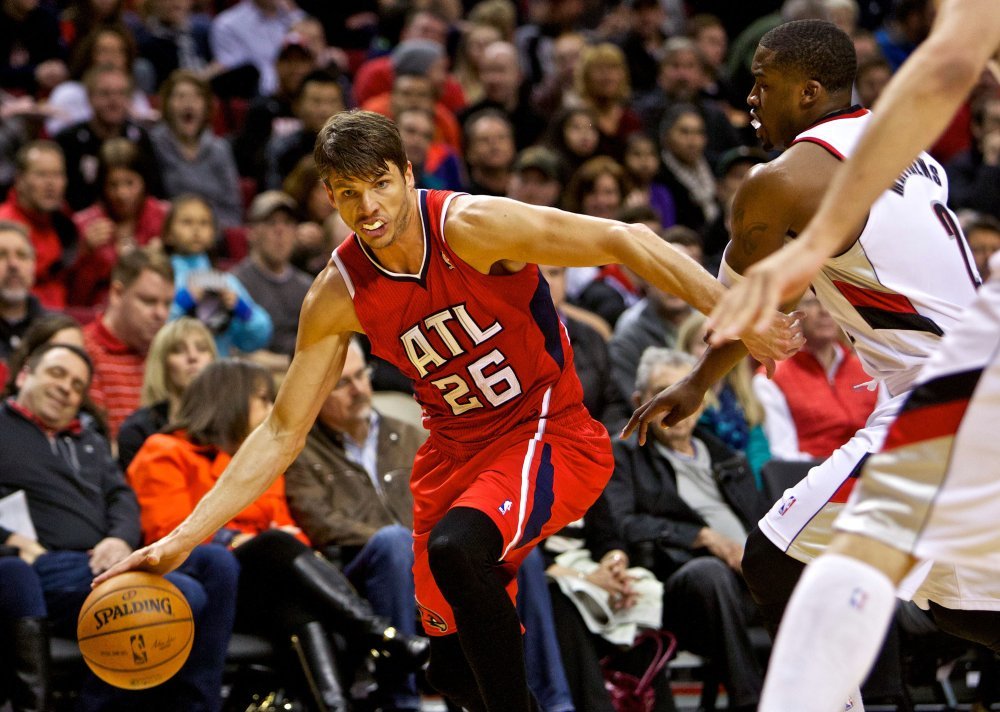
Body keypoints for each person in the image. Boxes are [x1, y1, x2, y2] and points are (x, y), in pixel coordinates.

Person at [96, 109, 800, 712]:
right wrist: (182, 539)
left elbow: (626, 239)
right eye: (348, 194)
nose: (369, 207)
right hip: (451, 458)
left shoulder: (472, 226)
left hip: (546, 431)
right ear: (330, 199)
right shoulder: (336, 294)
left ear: (408, 173)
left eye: (380, 184)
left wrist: (737, 312)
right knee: (453, 671)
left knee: (458, 550)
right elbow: (282, 430)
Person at [694, 2, 1000, 709]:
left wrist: (697, 378)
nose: (750, 96)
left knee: (773, 557)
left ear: (808, 92)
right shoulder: (908, 149)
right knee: (958, 608)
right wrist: (697, 383)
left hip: (941, 397)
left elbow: (736, 306)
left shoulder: (782, 181)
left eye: (764, 82)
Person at [126, 359, 429, 712]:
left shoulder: (260, 460)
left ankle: (340, 701)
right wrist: (234, 539)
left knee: (296, 606)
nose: (273, 410)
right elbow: (168, 534)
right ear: (231, 400)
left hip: (269, 587)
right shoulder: (165, 451)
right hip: (211, 584)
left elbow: (290, 529)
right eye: (264, 399)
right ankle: (377, 634)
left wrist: (260, 538)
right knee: (272, 545)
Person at [0, 342, 238, 712]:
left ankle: (198, 706)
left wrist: (119, 539)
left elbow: (121, 498)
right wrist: (9, 539)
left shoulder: (89, 440)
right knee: (182, 595)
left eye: (77, 386)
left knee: (217, 563)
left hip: (107, 558)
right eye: (57, 374)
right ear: (25, 375)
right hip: (45, 564)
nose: (66, 389)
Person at [608, 348, 768, 712]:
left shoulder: (728, 457)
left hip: (749, 583)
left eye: (681, 390)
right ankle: (752, 703)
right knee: (709, 574)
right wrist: (703, 538)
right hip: (680, 590)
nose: (674, 404)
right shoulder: (624, 456)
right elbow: (622, 526)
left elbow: (763, 523)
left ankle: (867, 698)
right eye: (661, 393)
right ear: (639, 402)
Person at [162, 194, 272, 357]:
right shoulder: (160, 277)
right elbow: (149, 330)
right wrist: (183, 302)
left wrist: (241, 309)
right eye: (187, 222)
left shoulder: (225, 282)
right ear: (168, 235)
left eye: (204, 223)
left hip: (218, 367)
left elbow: (258, 338)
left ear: (213, 234)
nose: (196, 229)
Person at [83, 246, 175, 439]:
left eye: (167, 304)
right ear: (117, 293)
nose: (161, 314)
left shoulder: (171, 355)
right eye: (149, 301)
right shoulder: (85, 351)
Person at [69, 137, 169, 307]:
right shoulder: (84, 225)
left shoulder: (165, 218)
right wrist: (86, 253)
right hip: (100, 311)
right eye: (113, 185)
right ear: (102, 186)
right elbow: (75, 300)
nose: (122, 194)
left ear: (144, 181)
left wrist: (162, 259)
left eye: (130, 183)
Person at [116, 317, 217, 471]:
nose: (193, 357)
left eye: (202, 349)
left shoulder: (232, 424)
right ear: (162, 364)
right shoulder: (138, 430)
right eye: (178, 350)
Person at [149, 70, 243, 228]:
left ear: (207, 106)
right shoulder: (153, 145)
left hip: (214, 232)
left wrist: (206, 229)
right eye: (180, 97)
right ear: (167, 104)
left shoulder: (220, 149)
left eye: (196, 97)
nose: (188, 104)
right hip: (168, 230)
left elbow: (233, 210)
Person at [231, 190, 313, 368]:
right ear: (251, 232)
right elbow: (235, 351)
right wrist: (294, 364)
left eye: (288, 223)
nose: (280, 231)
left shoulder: (308, 286)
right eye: (271, 222)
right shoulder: (235, 284)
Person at [0, 141, 78, 309]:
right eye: (41, 175)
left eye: (57, 175)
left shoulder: (64, 222)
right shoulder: (4, 226)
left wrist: (85, 255)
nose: (51, 184)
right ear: (19, 181)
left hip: (61, 314)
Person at [0, 221, 45, 367]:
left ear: (34, 264)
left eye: (22, 255)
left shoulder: (55, 330)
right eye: (1, 255)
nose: (13, 264)